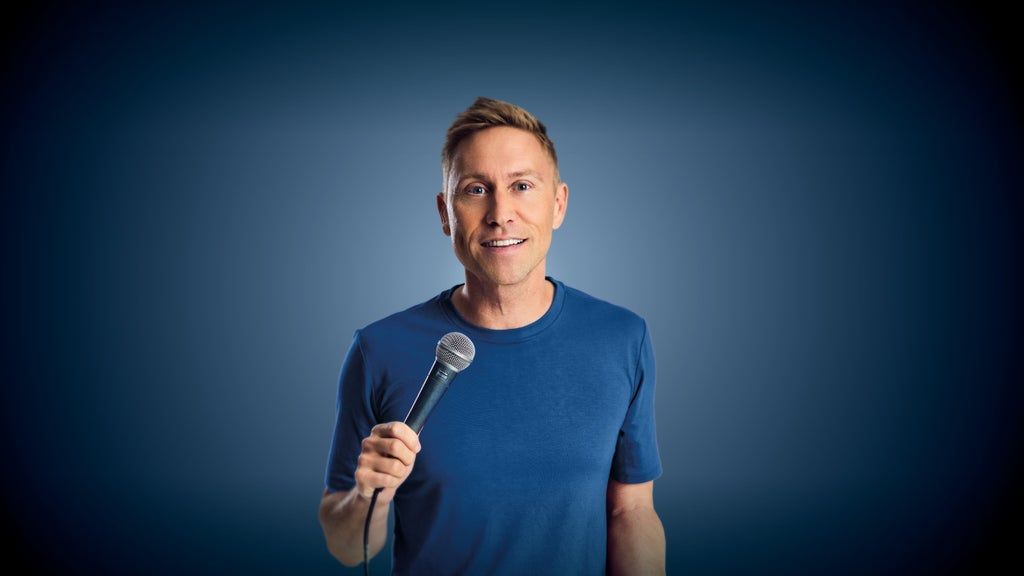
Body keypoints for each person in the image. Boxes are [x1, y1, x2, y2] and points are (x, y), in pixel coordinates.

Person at [318, 97, 666, 574]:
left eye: (522, 185)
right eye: (476, 189)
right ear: (446, 213)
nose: (501, 213)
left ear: (558, 203)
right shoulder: (379, 350)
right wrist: (368, 497)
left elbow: (632, 511)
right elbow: (346, 547)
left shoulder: (622, 338)